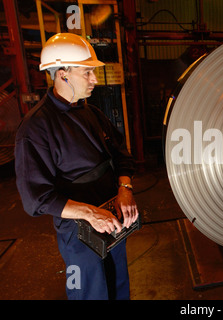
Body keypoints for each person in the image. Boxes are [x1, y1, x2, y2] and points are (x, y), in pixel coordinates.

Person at [14, 33, 139, 300]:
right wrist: (90, 214)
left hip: (111, 219)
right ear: (63, 74)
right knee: (88, 292)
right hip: (78, 233)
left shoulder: (91, 113)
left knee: (118, 286)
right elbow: (35, 198)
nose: (95, 80)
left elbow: (120, 154)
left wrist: (125, 188)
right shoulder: (36, 128)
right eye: (87, 72)